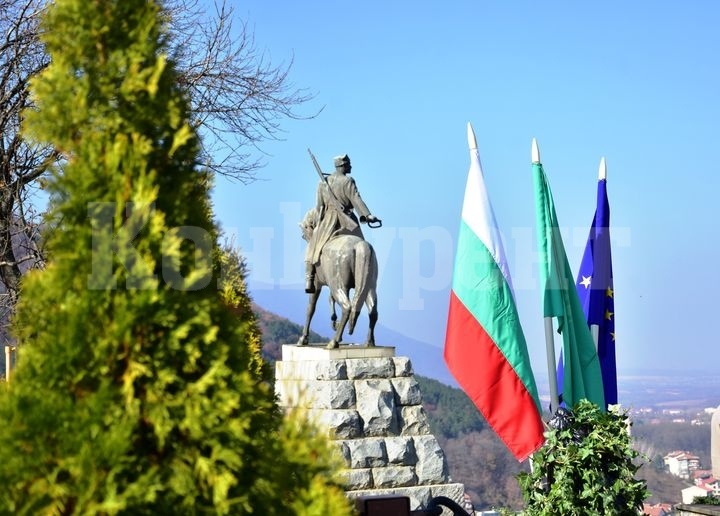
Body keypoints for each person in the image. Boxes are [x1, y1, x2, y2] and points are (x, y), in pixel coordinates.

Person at [304, 154, 379, 293]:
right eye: (348, 164)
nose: (350, 166)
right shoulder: (348, 181)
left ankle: (309, 279)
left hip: (328, 222)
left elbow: (319, 206)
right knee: (362, 246)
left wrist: (319, 223)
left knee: (312, 247)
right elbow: (356, 199)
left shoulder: (322, 183)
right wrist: (367, 215)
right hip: (348, 221)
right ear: (342, 166)